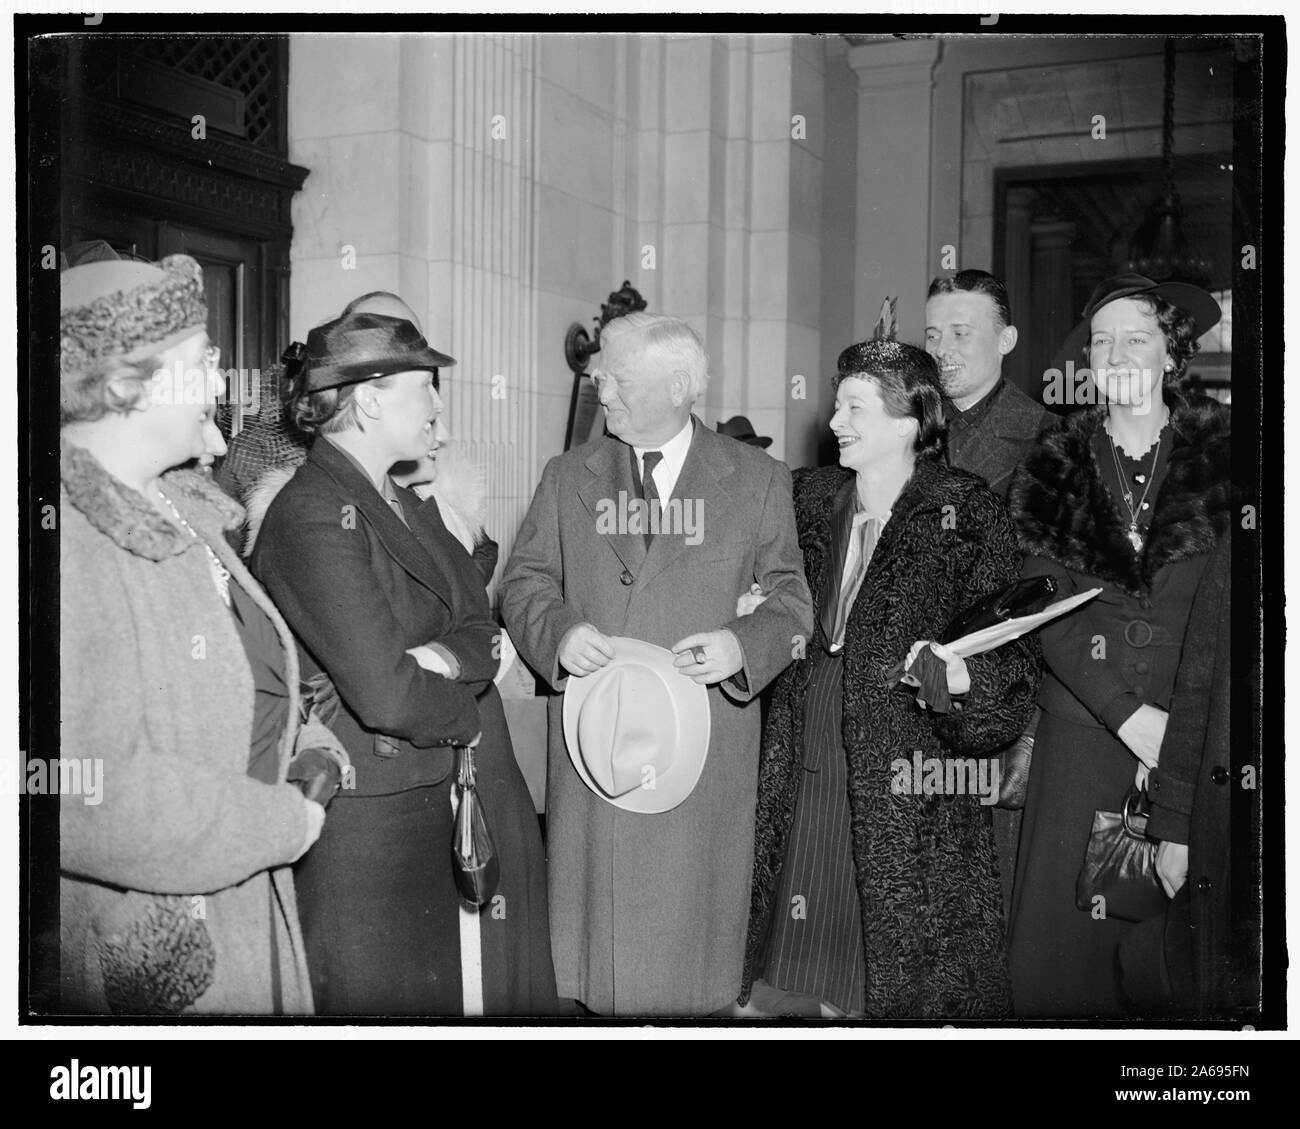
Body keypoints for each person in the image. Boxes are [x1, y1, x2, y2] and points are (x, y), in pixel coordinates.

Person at [500, 312, 813, 1016]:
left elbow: (794, 606)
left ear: (676, 386)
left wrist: (740, 643)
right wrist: (557, 632)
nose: (597, 385)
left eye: (613, 374)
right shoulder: (566, 475)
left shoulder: (759, 480)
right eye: (599, 372)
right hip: (596, 752)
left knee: (685, 982)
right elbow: (522, 582)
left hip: (698, 762)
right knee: (596, 976)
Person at [250, 310, 556, 1016]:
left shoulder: (402, 499)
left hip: (422, 796)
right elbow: (387, 691)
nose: (441, 408)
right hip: (366, 826)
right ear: (373, 394)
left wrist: (437, 659)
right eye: (428, 387)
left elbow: (481, 624)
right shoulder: (313, 511)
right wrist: (467, 718)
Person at [58, 253, 338, 1014]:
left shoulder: (188, 507)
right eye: (200, 363)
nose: (221, 386)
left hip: (243, 895)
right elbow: (91, 795)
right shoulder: (71, 543)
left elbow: (240, 678)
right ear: (122, 386)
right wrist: (281, 820)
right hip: (159, 942)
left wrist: (305, 739)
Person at [739, 316, 1038, 1020]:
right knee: (785, 981)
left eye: (854, 407)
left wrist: (962, 678)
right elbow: (766, 602)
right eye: (837, 403)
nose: (834, 419)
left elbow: (1011, 669)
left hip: (909, 798)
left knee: (882, 989)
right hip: (799, 767)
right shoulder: (805, 498)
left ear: (909, 420)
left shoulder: (969, 514)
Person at [1007, 272, 1231, 1018]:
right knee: (1056, 973)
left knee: (1173, 973)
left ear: (1171, 352)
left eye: (1136, 337)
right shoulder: (1054, 464)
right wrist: (1127, 714)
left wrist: (1175, 728)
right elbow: (1048, 608)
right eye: (1102, 341)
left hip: (1195, 740)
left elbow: (1233, 613)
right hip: (1081, 738)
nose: (1116, 353)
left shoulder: (1226, 461)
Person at [925, 269, 1056, 915]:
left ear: (1005, 338)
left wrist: (1028, 737)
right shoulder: (903, 426)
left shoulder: (1046, 440)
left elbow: (1048, 602)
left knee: (980, 906)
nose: (942, 347)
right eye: (932, 333)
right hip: (905, 705)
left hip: (992, 710)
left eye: (961, 331)